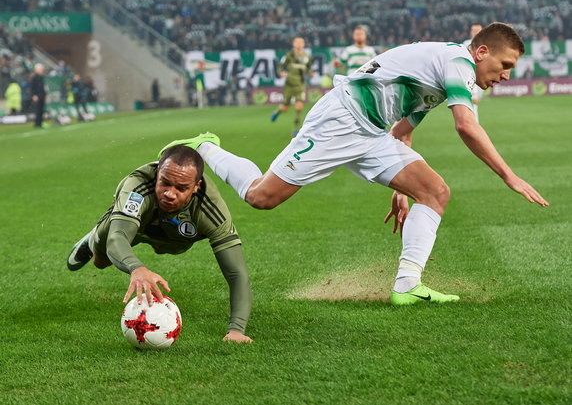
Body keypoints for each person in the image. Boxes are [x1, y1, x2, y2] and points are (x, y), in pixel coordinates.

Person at [160, 23, 549, 307]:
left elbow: (403, 133)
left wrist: (401, 190)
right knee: (262, 197)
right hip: (341, 119)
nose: (505, 75)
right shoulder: (457, 63)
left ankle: (407, 285)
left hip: (375, 133)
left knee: (433, 192)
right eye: (504, 64)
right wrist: (509, 176)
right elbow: (466, 125)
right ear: (481, 52)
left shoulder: (443, 73)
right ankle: (206, 147)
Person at [67, 145, 253, 343]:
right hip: (134, 224)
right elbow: (117, 238)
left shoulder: (210, 208)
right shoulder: (137, 186)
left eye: (181, 188)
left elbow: (236, 274)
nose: (170, 194)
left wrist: (237, 330)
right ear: (157, 174)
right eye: (165, 183)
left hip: (177, 236)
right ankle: (93, 238)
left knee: (168, 248)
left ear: (196, 186)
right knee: (101, 261)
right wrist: (136, 268)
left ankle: (157, 237)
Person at [270, 37, 313, 136]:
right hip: (289, 85)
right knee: (285, 107)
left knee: (299, 107)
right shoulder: (289, 55)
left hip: (300, 85)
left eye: (301, 42)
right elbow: (281, 66)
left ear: (303, 44)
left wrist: (311, 73)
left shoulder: (307, 57)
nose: (299, 44)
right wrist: (281, 72)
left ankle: (295, 129)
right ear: (293, 44)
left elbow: (309, 68)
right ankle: (278, 111)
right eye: (296, 42)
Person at [463, 23, 485, 121]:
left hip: (482, 77)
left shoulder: (487, 44)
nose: (475, 33)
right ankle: (473, 128)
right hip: (470, 77)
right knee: (473, 103)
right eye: (473, 30)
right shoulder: (466, 44)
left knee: (475, 103)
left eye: (478, 31)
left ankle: (471, 126)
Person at [30, 63, 46, 128]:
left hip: (42, 96)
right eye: (41, 69)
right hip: (37, 96)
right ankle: (37, 123)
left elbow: (43, 87)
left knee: (41, 110)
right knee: (38, 110)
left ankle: (40, 123)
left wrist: (45, 94)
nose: (42, 70)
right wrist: (34, 95)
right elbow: (32, 88)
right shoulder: (34, 78)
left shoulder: (41, 77)